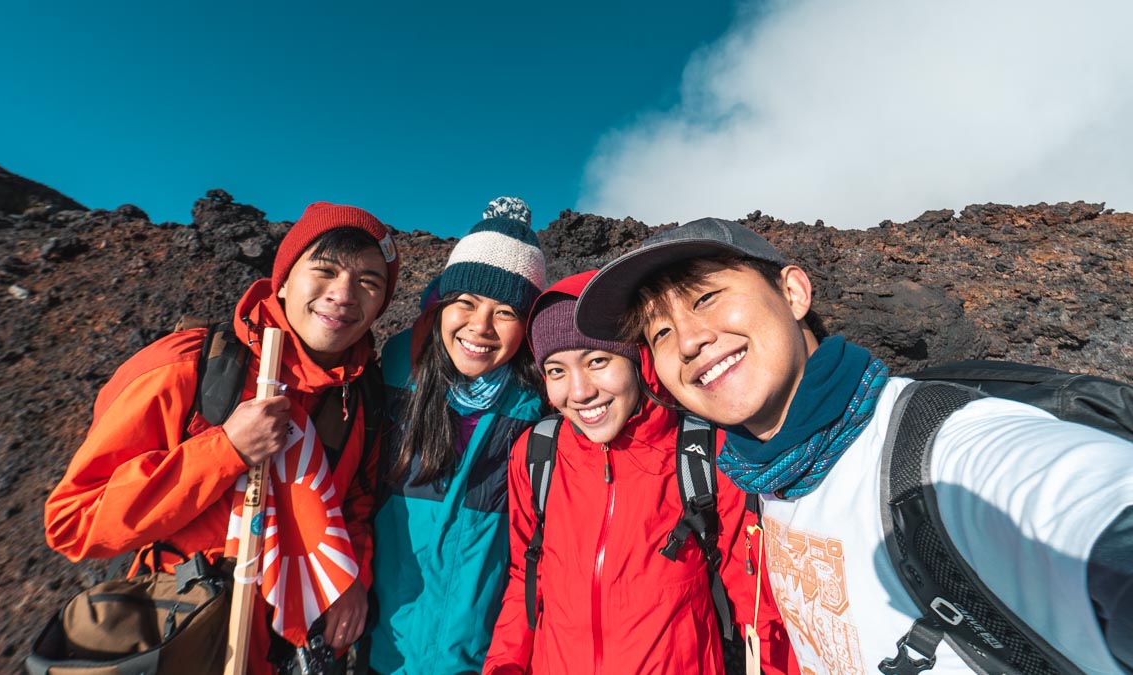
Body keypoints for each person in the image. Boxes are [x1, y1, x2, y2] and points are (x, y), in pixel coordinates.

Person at [573, 217, 1133, 673]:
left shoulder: (941, 448)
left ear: (792, 292)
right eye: (660, 332)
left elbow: (1088, 501)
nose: (689, 341)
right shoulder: (768, 476)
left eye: (708, 298)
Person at [44, 202, 400, 673]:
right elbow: (74, 520)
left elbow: (353, 502)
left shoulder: (360, 396)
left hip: (287, 651)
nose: (344, 293)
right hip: (186, 637)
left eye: (369, 283)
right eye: (325, 269)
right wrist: (224, 451)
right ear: (286, 279)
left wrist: (350, 579)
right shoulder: (188, 368)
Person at [484, 271, 798, 674]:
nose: (579, 392)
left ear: (639, 360)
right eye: (557, 371)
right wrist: (504, 665)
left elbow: (756, 602)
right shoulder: (537, 454)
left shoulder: (703, 452)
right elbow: (525, 576)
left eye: (597, 361)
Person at [369, 197, 547, 674]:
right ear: (441, 304)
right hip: (382, 649)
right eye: (466, 303)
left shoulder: (541, 408)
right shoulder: (391, 375)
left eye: (506, 312)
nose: (480, 327)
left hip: (479, 656)